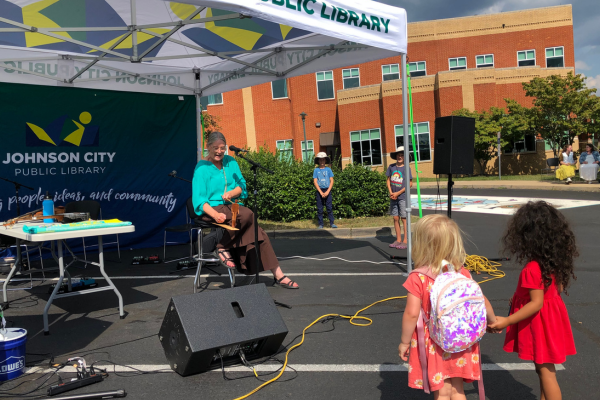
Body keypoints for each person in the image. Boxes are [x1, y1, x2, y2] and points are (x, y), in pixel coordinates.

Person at [399, 214, 498, 400]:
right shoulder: (462, 272)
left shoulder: (418, 277)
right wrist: (492, 321)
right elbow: (480, 299)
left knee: (442, 391)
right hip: (460, 339)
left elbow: (412, 314)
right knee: (457, 389)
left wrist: (404, 342)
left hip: (436, 342)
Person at [489, 201, 577, 400]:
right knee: (544, 369)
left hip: (540, 324)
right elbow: (557, 290)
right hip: (552, 320)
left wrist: (507, 320)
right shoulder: (554, 262)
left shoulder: (532, 268)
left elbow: (536, 303)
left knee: (546, 372)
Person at [192, 131, 299, 289]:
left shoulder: (231, 162)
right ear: (208, 147)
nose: (219, 151)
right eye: (215, 148)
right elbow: (199, 200)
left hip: (230, 206)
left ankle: (278, 275)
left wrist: (231, 193)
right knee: (248, 214)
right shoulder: (201, 168)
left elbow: (242, 186)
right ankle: (222, 246)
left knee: (258, 231)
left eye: (222, 148)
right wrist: (216, 215)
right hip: (212, 209)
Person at [386, 146, 412, 249]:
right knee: (395, 217)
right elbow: (388, 180)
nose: (400, 157)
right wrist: (391, 192)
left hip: (402, 196)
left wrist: (398, 193)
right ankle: (398, 239)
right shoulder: (391, 167)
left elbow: (410, 184)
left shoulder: (406, 168)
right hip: (393, 196)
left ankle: (405, 240)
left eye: (402, 155)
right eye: (398, 155)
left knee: (404, 218)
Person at [313, 152, 337, 229]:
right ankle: (320, 224)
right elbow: (315, 181)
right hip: (320, 190)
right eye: (320, 160)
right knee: (320, 208)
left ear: (325, 161)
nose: (322, 162)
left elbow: (332, 181)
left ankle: (332, 223)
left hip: (327, 190)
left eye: (323, 160)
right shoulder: (316, 170)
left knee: (329, 207)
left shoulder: (328, 170)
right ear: (318, 161)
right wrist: (320, 192)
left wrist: (327, 191)